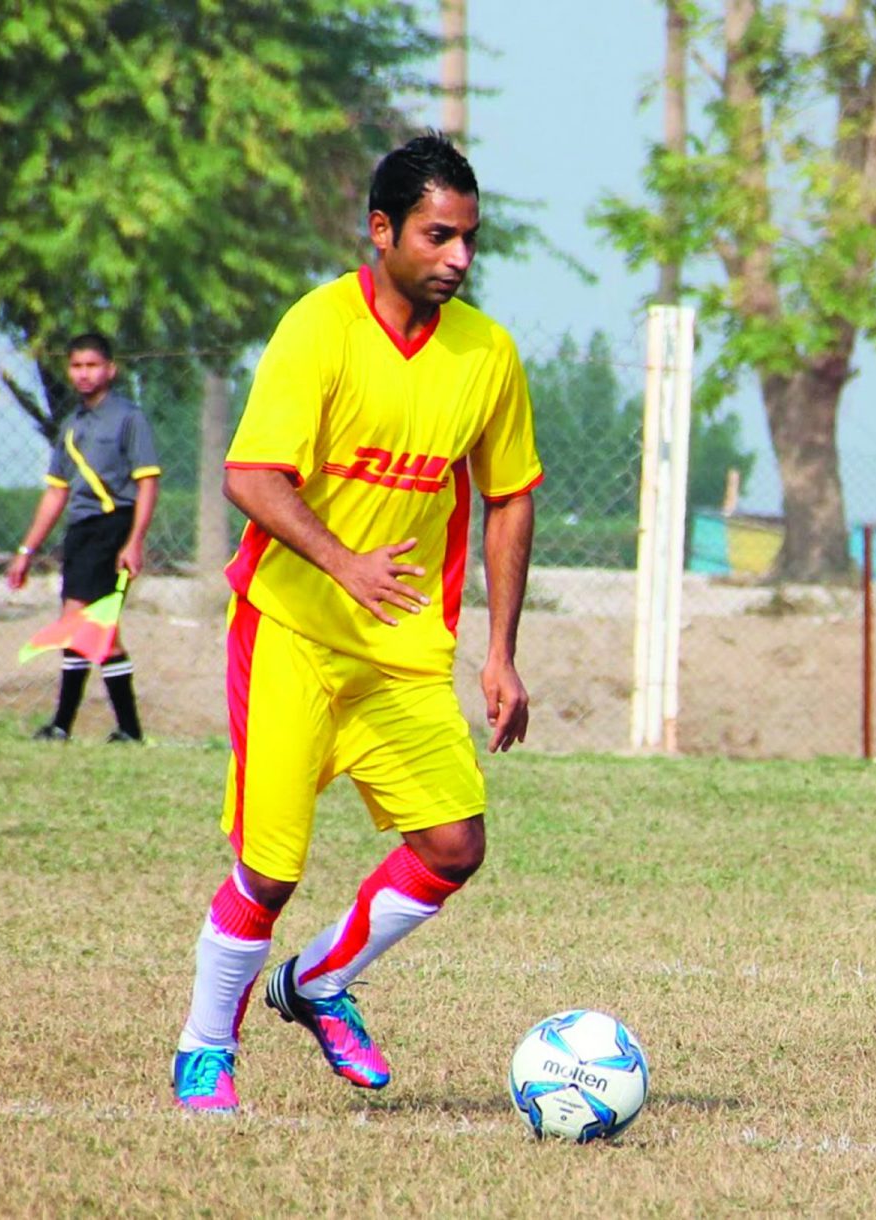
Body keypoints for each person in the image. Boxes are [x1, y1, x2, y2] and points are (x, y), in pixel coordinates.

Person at [170, 133, 542, 1113]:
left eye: (469, 239)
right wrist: (342, 561)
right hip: (290, 632)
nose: (458, 257)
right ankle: (206, 1045)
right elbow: (251, 474)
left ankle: (318, 982)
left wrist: (500, 650)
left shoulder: (487, 355)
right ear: (382, 231)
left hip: (406, 652)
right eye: (437, 236)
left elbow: (509, 496)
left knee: (456, 842)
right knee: (268, 869)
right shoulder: (319, 328)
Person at [5, 333, 160, 744]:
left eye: (93, 365)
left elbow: (147, 483)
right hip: (80, 533)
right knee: (87, 627)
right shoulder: (71, 425)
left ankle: (73, 725)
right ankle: (114, 728)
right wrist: (26, 550)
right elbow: (56, 491)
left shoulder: (129, 418)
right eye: (76, 366)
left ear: (111, 369)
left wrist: (135, 540)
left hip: (114, 526)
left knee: (84, 623)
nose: (84, 373)